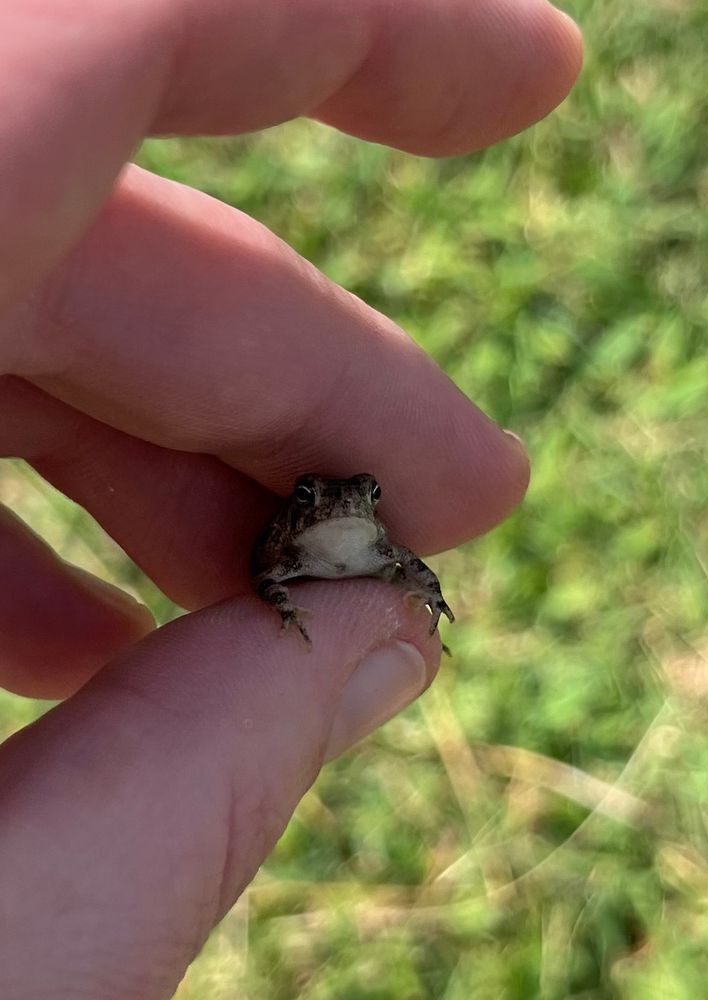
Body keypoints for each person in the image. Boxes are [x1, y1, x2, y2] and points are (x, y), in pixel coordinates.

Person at [0, 0, 581, 994]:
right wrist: (280, 607)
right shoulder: (293, 540)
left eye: (357, 494)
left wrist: (427, 590)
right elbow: (268, 566)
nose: (342, 502)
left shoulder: (370, 541)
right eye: (324, 493)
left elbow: (408, 563)